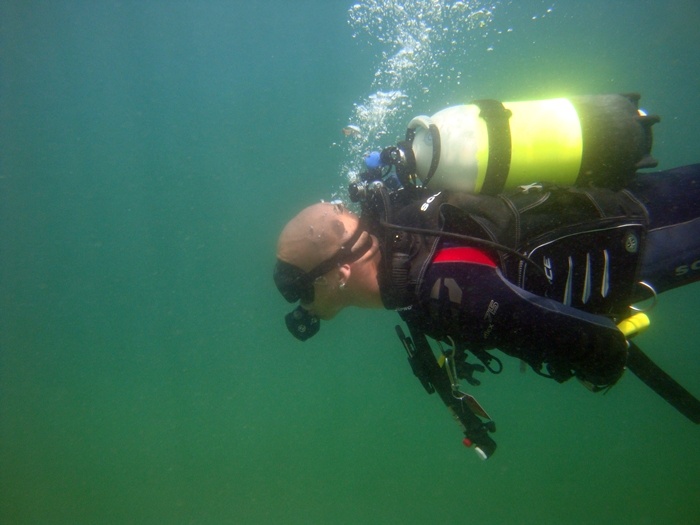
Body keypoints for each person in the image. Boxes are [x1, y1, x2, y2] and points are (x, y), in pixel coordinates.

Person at [273, 96, 700, 458]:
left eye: (299, 286)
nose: (301, 302)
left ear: (339, 272)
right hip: (620, 206)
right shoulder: (402, 224)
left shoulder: (439, 284)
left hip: (641, 239)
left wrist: (595, 361)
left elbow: (601, 346)